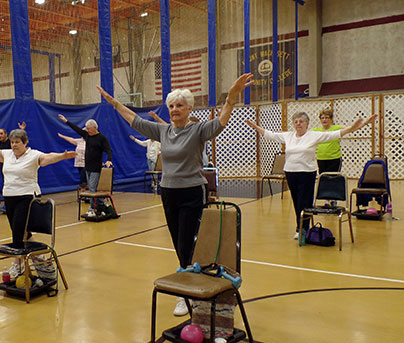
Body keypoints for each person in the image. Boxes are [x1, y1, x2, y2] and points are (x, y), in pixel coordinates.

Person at [98, 73, 254, 316]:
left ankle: (189, 291)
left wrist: (231, 98)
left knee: (188, 242)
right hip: (169, 192)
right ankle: (188, 285)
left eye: (179, 105)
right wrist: (115, 104)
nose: (174, 109)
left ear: (189, 108)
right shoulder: (163, 131)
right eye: (171, 105)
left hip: (193, 191)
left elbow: (222, 121)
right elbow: (134, 121)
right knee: (178, 242)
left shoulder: (198, 130)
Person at [0, 129, 77, 278]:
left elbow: (48, 157)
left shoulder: (33, 155)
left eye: (17, 142)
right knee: (23, 232)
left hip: (27, 196)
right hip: (9, 196)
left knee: (17, 232)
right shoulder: (7, 154)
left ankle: (18, 264)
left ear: (25, 142)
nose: (14, 145)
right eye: (12, 142)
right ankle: (39, 258)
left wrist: (63, 156)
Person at [246, 111, 376, 240]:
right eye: (296, 122)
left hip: (307, 173)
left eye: (301, 121)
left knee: (305, 201)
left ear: (307, 123)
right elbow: (271, 135)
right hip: (291, 173)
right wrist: (256, 127)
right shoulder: (288, 136)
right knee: (297, 201)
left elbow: (335, 134)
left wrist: (354, 127)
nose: (298, 124)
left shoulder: (314, 135)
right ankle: (300, 226)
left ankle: (302, 228)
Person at [58, 115, 112, 217]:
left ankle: (92, 208)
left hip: (96, 168)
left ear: (95, 128)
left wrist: (109, 160)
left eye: (88, 128)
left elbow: (108, 150)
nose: (87, 130)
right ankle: (102, 205)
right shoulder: (87, 136)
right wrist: (66, 121)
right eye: (86, 128)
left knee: (92, 188)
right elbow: (76, 129)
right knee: (93, 189)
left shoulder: (102, 138)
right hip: (87, 167)